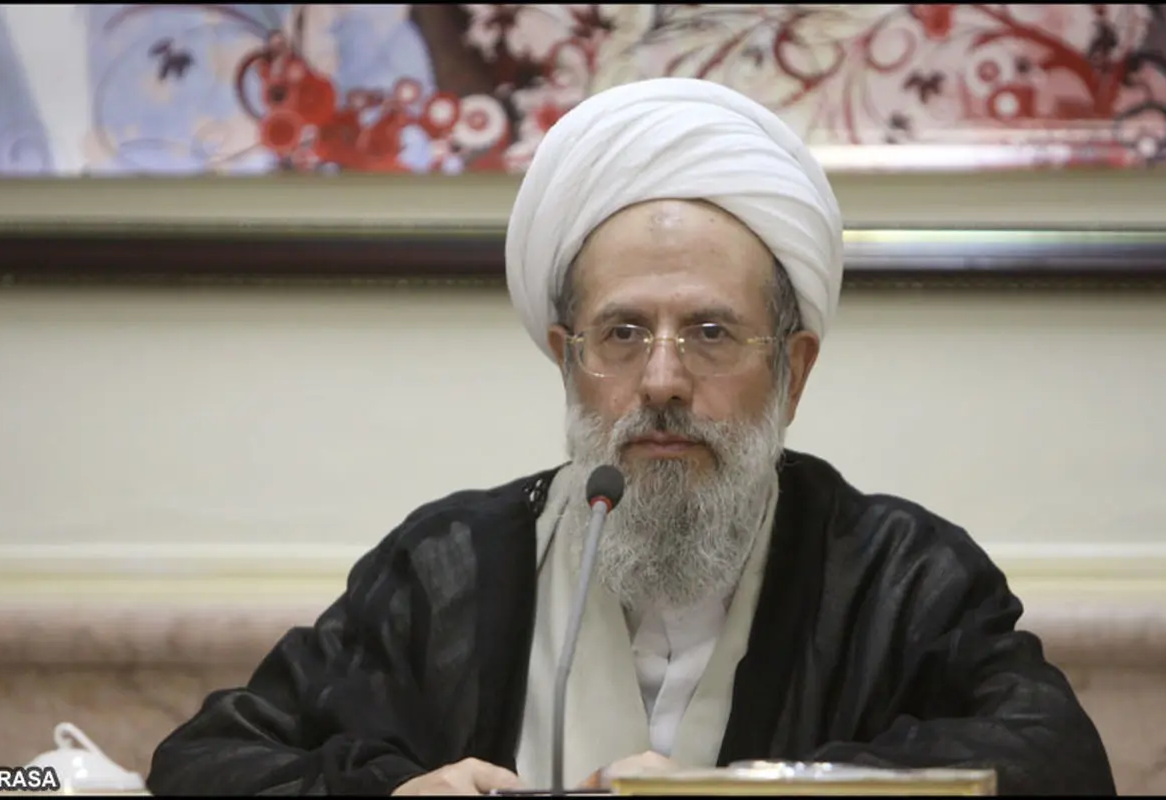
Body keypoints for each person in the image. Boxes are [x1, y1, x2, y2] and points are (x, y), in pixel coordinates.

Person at [147, 78, 1116, 797]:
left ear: (794, 369)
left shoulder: (902, 575)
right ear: (567, 361)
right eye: (621, 334)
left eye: (710, 332)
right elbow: (206, 761)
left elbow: (1058, 764)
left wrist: (739, 795)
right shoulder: (446, 569)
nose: (661, 381)